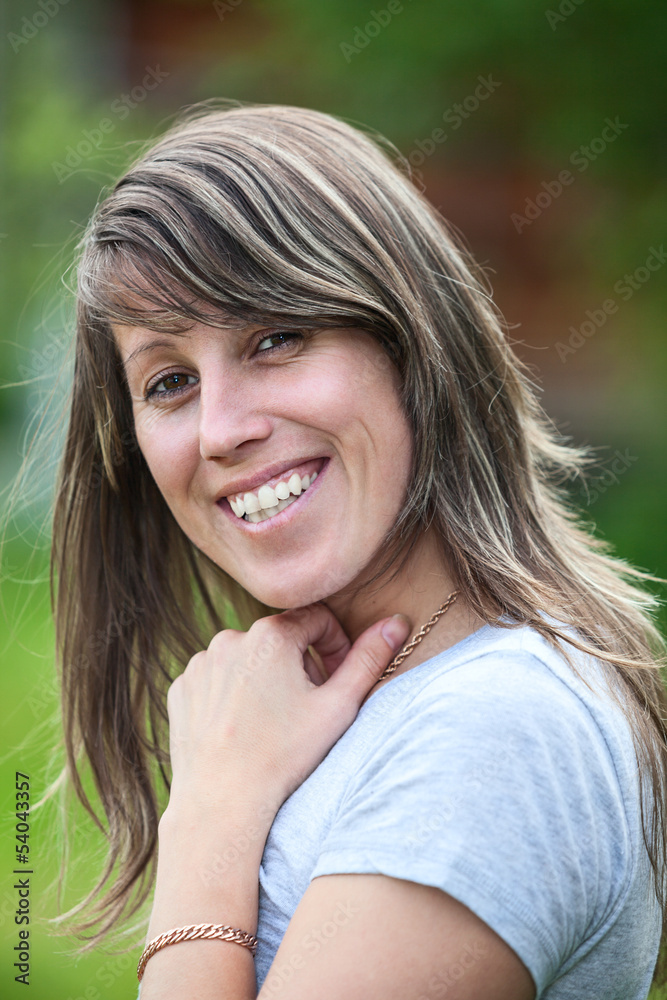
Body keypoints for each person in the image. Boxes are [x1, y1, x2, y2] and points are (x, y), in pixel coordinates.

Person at [49, 99, 667, 998]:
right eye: (170, 381)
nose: (220, 430)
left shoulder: (495, 729)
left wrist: (210, 824)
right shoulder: (362, 700)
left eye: (276, 337)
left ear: (412, 344)